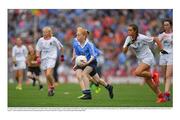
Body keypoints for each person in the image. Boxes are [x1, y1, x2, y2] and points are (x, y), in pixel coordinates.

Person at [122, 24, 168, 103]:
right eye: (128, 30)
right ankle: (161, 96)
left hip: (148, 58)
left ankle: (154, 75)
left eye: (130, 30)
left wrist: (161, 50)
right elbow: (124, 52)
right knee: (148, 81)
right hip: (141, 60)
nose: (128, 32)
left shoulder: (142, 37)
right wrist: (128, 44)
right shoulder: (128, 38)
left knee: (137, 72)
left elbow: (156, 39)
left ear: (135, 31)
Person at [72, 27, 113, 100]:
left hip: (91, 62)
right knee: (97, 80)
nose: (76, 37)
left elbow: (93, 56)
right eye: (76, 35)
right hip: (83, 62)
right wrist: (76, 64)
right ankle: (109, 87)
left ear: (84, 36)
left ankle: (88, 94)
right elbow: (78, 56)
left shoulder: (89, 44)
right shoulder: (76, 44)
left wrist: (87, 62)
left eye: (78, 35)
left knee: (84, 74)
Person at [36, 26, 64, 96]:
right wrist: (38, 57)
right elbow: (38, 49)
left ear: (49, 33)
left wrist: (62, 57)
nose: (44, 33)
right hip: (43, 58)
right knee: (47, 76)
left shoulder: (53, 39)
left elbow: (61, 47)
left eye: (45, 32)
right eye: (43, 32)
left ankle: (53, 84)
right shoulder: (40, 40)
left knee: (48, 74)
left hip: (51, 58)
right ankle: (50, 89)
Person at [158, 19, 173, 101]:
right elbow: (156, 45)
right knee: (164, 76)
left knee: (168, 75)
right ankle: (167, 93)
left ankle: (166, 94)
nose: (166, 26)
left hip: (172, 55)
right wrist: (160, 40)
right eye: (164, 25)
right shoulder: (161, 35)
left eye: (167, 24)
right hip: (163, 55)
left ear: (171, 25)